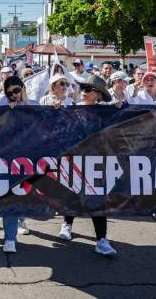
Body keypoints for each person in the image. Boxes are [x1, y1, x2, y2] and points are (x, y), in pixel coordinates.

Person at [57, 74, 117, 256]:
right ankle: (67, 224)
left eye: (89, 89)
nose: (84, 91)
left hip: (96, 162)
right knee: (72, 195)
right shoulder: (70, 109)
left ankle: (101, 240)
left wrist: (123, 107)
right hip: (74, 160)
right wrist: (55, 111)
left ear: (98, 95)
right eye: (83, 88)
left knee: (97, 200)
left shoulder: (107, 112)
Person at [0, 76, 38, 252]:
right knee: (11, 198)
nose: (13, 95)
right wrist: (7, 113)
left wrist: (56, 110)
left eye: (16, 91)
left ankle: (21, 219)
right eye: (9, 93)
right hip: (9, 158)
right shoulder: (2, 103)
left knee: (27, 196)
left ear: (23, 88)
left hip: (32, 158)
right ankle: (10, 238)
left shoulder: (35, 103)